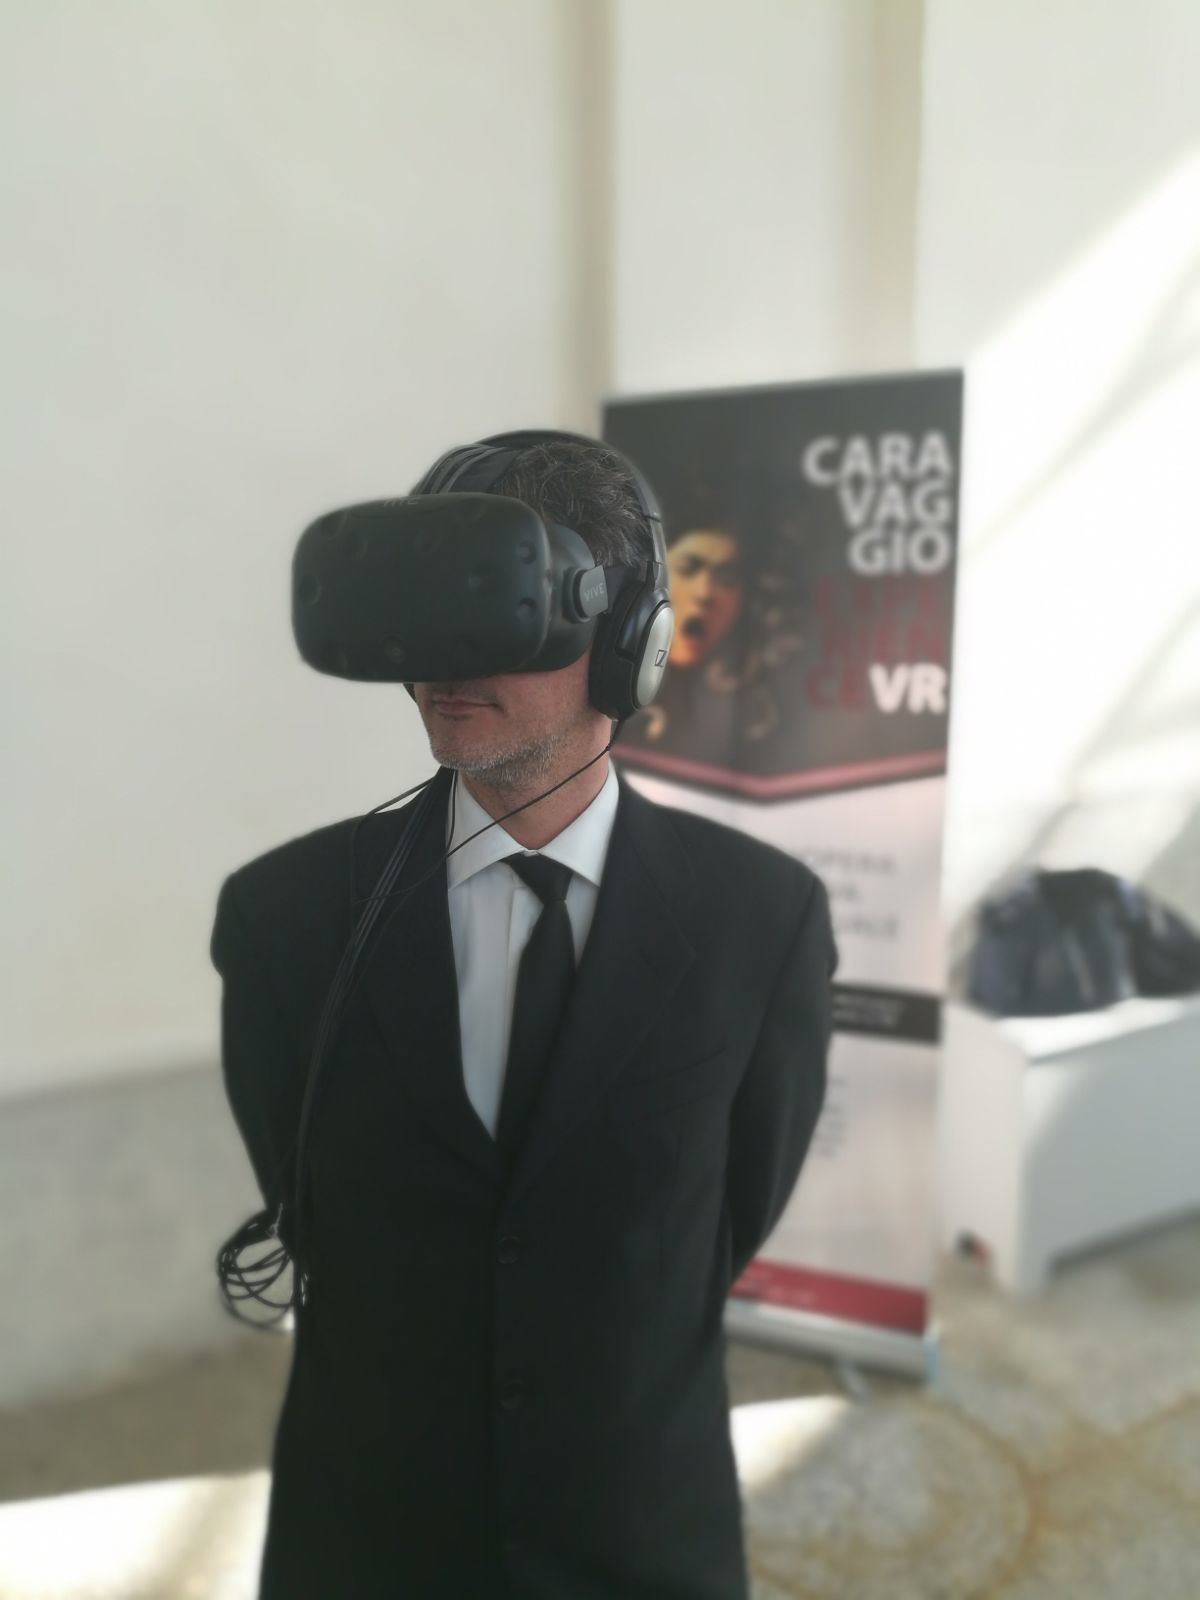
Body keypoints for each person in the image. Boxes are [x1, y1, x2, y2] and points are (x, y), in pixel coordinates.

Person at [210, 436, 838, 1599]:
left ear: (629, 639)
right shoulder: (281, 923)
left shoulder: (763, 923)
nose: (442, 661)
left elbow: (723, 1221)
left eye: (490, 607)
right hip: (370, 1537)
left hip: (640, 1531)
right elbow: (305, 1199)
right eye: (423, 614)